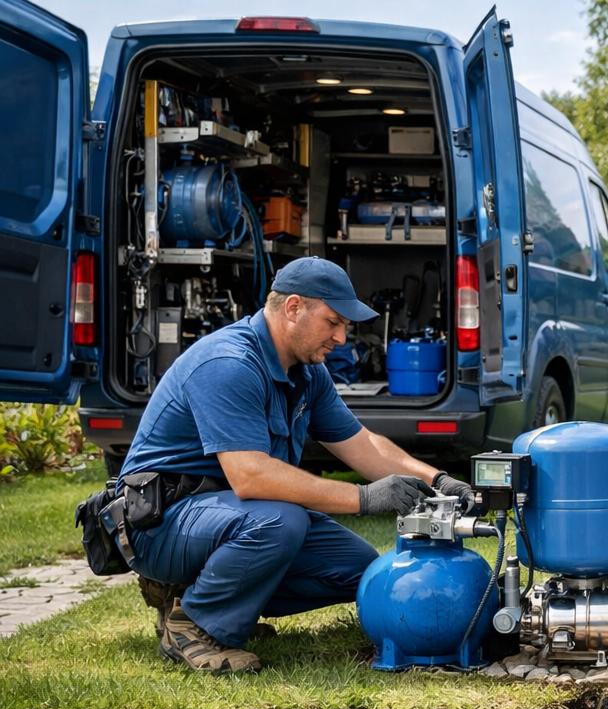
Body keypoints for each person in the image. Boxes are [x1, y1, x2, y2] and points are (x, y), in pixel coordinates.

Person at [116, 257, 476, 673]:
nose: (341, 337)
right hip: (159, 524)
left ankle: (207, 598)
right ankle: (193, 625)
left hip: (225, 518)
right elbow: (250, 476)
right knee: (282, 522)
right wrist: (364, 497)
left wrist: (439, 481)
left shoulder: (307, 372)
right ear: (293, 308)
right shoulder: (228, 364)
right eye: (333, 322)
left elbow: (362, 445)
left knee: (362, 570)